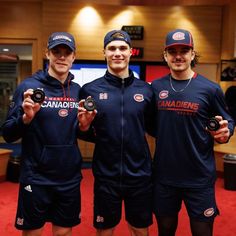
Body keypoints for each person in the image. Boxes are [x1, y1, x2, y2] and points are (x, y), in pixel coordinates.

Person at [1, 32, 95, 236]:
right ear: (47, 54)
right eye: (56, 51)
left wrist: (85, 127)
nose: (61, 57)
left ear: (73, 57)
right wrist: (26, 119)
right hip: (36, 178)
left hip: (69, 178)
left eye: (66, 52)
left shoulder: (77, 90)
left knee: (63, 232)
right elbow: (7, 133)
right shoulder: (28, 87)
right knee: (33, 232)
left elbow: (79, 131)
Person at [151, 29, 235, 236]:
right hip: (164, 176)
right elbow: (148, 123)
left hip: (199, 177)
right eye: (172, 51)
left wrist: (226, 131)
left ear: (192, 54)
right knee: (166, 229)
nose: (178, 56)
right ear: (165, 55)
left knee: (202, 232)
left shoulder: (210, 89)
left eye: (184, 50)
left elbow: (228, 119)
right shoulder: (154, 87)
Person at [78, 30, 156, 236]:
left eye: (122, 48)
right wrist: (84, 127)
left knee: (140, 230)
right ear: (104, 52)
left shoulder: (147, 90)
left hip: (140, 175)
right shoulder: (90, 90)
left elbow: (155, 127)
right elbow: (83, 130)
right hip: (106, 175)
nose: (117, 53)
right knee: (104, 230)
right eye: (112, 48)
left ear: (131, 52)